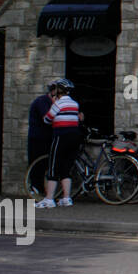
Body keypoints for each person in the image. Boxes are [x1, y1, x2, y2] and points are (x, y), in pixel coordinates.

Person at [40, 79, 83, 208]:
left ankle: (49, 199)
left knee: (53, 167)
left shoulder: (58, 104)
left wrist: (53, 105)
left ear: (58, 91)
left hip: (61, 136)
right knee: (66, 168)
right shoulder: (75, 104)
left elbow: (47, 119)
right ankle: (66, 198)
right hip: (74, 137)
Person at [28, 81, 58, 170]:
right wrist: (55, 104)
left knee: (48, 166)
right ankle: (35, 183)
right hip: (38, 139)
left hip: (49, 138)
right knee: (38, 166)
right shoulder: (42, 101)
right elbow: (47, 119)